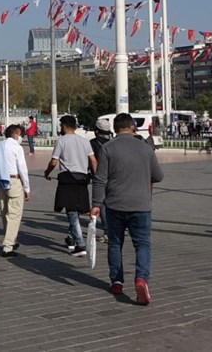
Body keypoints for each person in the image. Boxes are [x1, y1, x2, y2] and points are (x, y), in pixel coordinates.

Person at [91, 113, 164, 305]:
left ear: (115, 129)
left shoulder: (107, 148)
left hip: (114, 205)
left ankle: (116, 281)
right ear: (133, 127)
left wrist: (96, 204)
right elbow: (159, 175)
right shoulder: (146, 148)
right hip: (141, 205)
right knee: (143, 244)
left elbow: (100, 179)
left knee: (115, 243)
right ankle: (141, 279)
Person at [44, 115, 97, 258]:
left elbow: (54, 162)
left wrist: (47, 172)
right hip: (82, 179)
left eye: (61, 125)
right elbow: (93, 160)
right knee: (76, 210)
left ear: (64, 126)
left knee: (71, 212)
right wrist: (95, 175)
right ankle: (71, 238)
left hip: (67, 180)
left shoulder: (62, 141)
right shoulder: (84, 141)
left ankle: (80, 245)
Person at [0, 124, 30, 257]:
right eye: (21, 134)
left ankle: (12, 239)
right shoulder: (16, 147)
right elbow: (22, 168)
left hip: (1, 180)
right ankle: (8, 245)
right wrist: (27, 188)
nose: (21, 137)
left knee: (5, 212)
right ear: (16, 134)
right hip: (14, 181)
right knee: (14, 214)